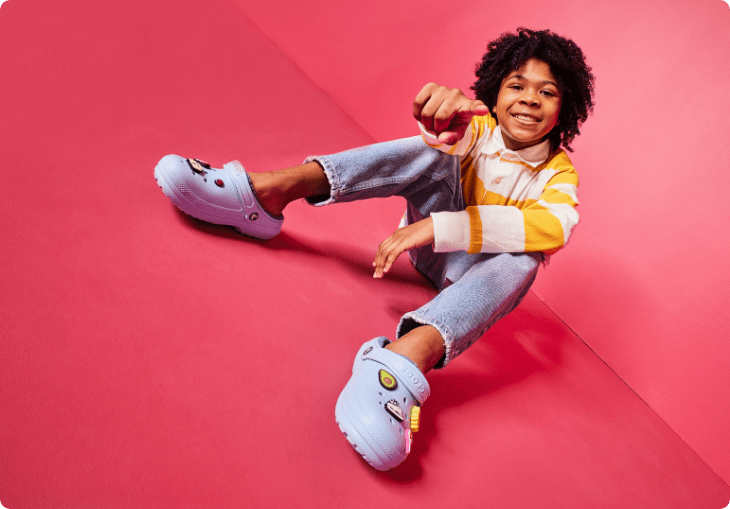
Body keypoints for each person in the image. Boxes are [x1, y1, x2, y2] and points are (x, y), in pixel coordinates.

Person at [153, 27, 595, 471]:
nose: (530, 99)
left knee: (527, 257)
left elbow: (556, 225)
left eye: (548, 92)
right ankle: (265, 193)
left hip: (471, 285)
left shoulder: (559, 176)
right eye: (516, 85)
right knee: (435, 153)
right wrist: (438, 121)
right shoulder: (478, 129)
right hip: (428, 254)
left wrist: (444, 226)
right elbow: (445, 138)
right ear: (494, 96)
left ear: (565, 110)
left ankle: (401, 361)